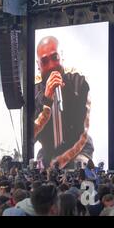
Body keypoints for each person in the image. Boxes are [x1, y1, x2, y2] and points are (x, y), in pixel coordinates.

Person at [34, 36, 94, 169]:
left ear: (62, 57)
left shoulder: (79, 82)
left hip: (79, 148)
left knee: (80, 168)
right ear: (38, 65)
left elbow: (81, 129)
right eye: (44, 61)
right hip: (48, 153)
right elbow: (31, 135)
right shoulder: (34, 91)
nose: (51, 66)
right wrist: (47, 100)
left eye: (55, 58)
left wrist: (65, 92)